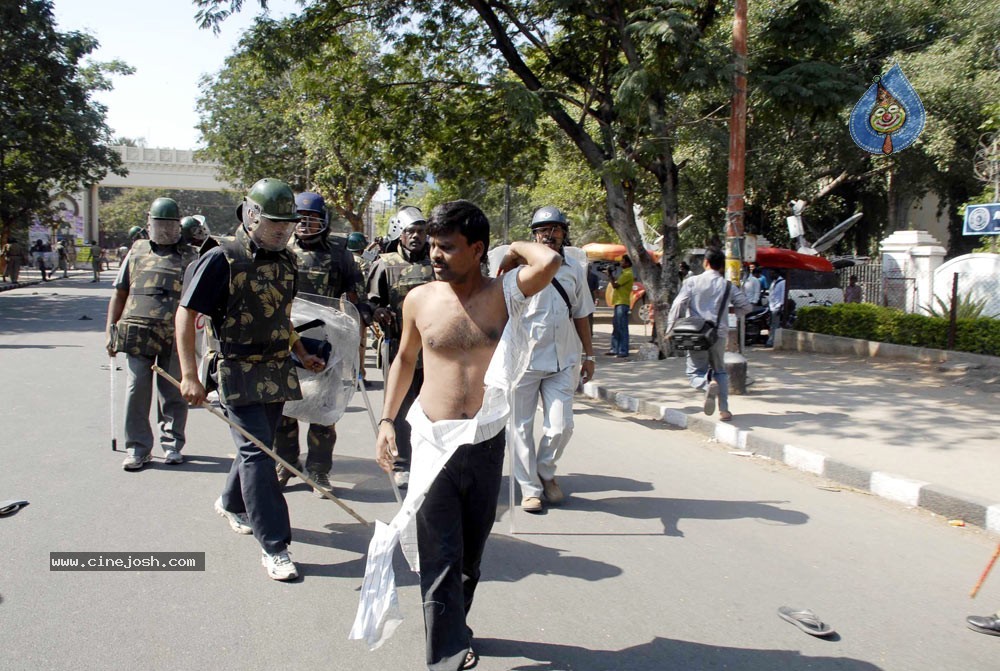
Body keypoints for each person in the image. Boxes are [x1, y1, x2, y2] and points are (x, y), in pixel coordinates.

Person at [374, 199, 561, 670]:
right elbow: (405, 360)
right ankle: (446, 655)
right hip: (432, 441)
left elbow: (548, 261)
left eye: (448, 247)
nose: (435, 255)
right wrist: (386, 421)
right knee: (440, 554)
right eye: (433, 246)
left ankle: (456, 628)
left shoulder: (505, 293)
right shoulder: (419, 299)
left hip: (484, 441)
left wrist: (510, 249)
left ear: (477, 249)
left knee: (469, 556)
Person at [175, 178, 326, 582]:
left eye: (288, 224)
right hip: (236, 370)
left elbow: (279, 316)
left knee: (256, 447)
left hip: (276, 369)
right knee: (259, 453)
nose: (282, 231)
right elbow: (186, 314)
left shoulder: (288, 261)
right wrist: (189, 375)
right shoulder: (221, 258)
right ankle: (275, 546)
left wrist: (302, 353)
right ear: (253, 215)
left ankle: (231, 502)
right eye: (275, 223)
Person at [272, 191, 361, 497]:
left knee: (324, 409)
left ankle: (319, 470)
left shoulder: (339, 252)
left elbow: (353, 292)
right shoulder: (280, 248)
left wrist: (359, 321)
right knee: (283, 408)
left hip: (326, 341)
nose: (305, 224)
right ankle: (285, 464)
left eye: (312, 218)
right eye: (301, 218)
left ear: (324, 221)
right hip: (285, 337)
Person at [509, 206, 596, 514]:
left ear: (564, 233)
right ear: (534, 235)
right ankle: (529, 489)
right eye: (543, 230)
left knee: (561, 426)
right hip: (524, 361)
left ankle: (545, 470)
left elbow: (582, 313)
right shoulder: (518, 269)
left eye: (556, 229)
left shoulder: (574, 269)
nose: (550, 234)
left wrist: (589, 355)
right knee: (520, 428)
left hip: (563, 360)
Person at [106, 197, 198, 471]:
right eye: (160, 225)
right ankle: (137, 448)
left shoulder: (191, 256)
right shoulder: (136, 251)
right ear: (149, 225)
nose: (165, 231)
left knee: (173, 392)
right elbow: (120, 292)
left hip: (175, 335)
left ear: (178, 226)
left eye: (170, 225)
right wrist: (110, 329)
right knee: (137, 389)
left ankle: (172, 445)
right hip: (137, 334)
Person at [366, 205, 433, 488]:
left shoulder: (436, 262)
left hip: (433, 351)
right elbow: (370, 303)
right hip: (399, 348)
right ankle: (402, 463)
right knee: (401, 408)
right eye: (410, 231)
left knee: (431, 407)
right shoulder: (385, 264)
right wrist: (378, 312)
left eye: (421, 231)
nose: (416, 236)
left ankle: (429, 461)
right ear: (400, 234)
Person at [666, 248, 751, 422]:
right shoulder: (728, 286)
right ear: (721, 266)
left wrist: (671, 328)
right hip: (719, 334)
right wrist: (730, 311)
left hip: (696, 334)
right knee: (720, 370)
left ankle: (707, 385)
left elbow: (678, 304)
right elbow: (746, 307)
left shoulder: (692, 282)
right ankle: (724, 410)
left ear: (705, 262)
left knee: (694, 373)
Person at [346, 230, 372, 382]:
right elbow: (365, 285)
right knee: (360, 342)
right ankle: (359, 375)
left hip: (342, 305)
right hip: (357, 306)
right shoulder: (362, 262)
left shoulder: (343, 259)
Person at [606, 253, 634, 358]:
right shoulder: (623, 273)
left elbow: (615, 285)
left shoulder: (628, 274)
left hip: (622, 302)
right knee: (616, 327)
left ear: (627, 263)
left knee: (622, 327)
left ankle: (623, 350)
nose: (621, 263)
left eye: (622, 261)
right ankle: (615, 349)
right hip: (618, 302)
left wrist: (610, 275)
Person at [766, 269, 786, 347]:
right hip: (771, 306)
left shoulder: (782, 282)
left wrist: (781, 307)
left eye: (772, 273)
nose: (771, 275)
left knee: (774, 325)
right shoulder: (773, 282)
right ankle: (770, 340)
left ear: (777, 274)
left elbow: (783, 295)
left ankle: (771, 341)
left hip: (777, 306)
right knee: (771, 324)